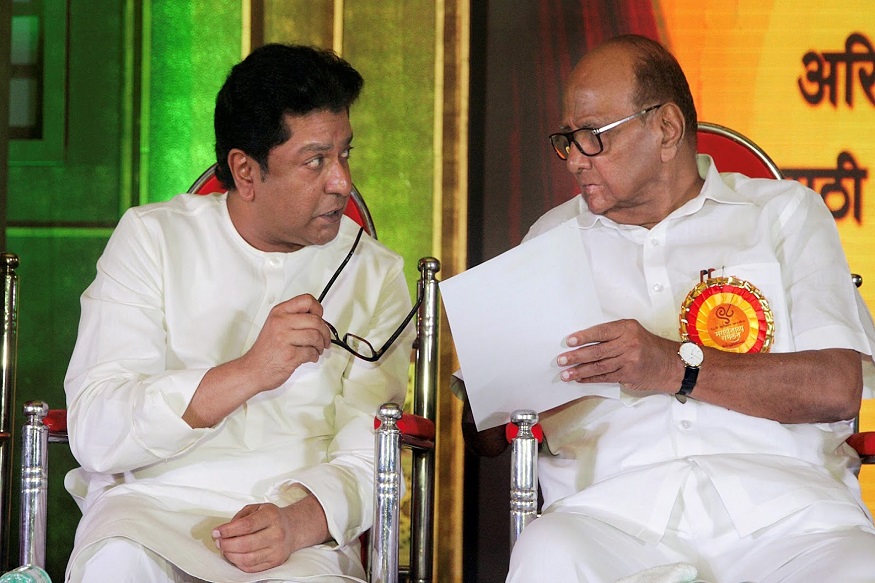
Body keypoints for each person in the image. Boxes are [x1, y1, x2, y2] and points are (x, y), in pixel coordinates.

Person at [461, 34, 875, 582]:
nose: (575, 161)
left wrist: (671, 366)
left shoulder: (782, 214)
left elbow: (836, 388)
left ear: (666, 129)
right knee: (547, 553)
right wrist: (500, 389)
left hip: (789, 518)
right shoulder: (550, 239)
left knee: (861, 567)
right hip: (610, 520)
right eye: (568, 139)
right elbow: (487, 437)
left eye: (594, 137)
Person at [63, 43, 414, 583]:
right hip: (151, 511)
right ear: (246, 172)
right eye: (315, 161)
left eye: (344, 154)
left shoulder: (377, 274)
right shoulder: (152, 238)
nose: (341, 181)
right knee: (117, 565)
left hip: (292, 529)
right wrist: (250, 371)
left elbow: (373, 454)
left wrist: (297, 522)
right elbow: (96, 428)